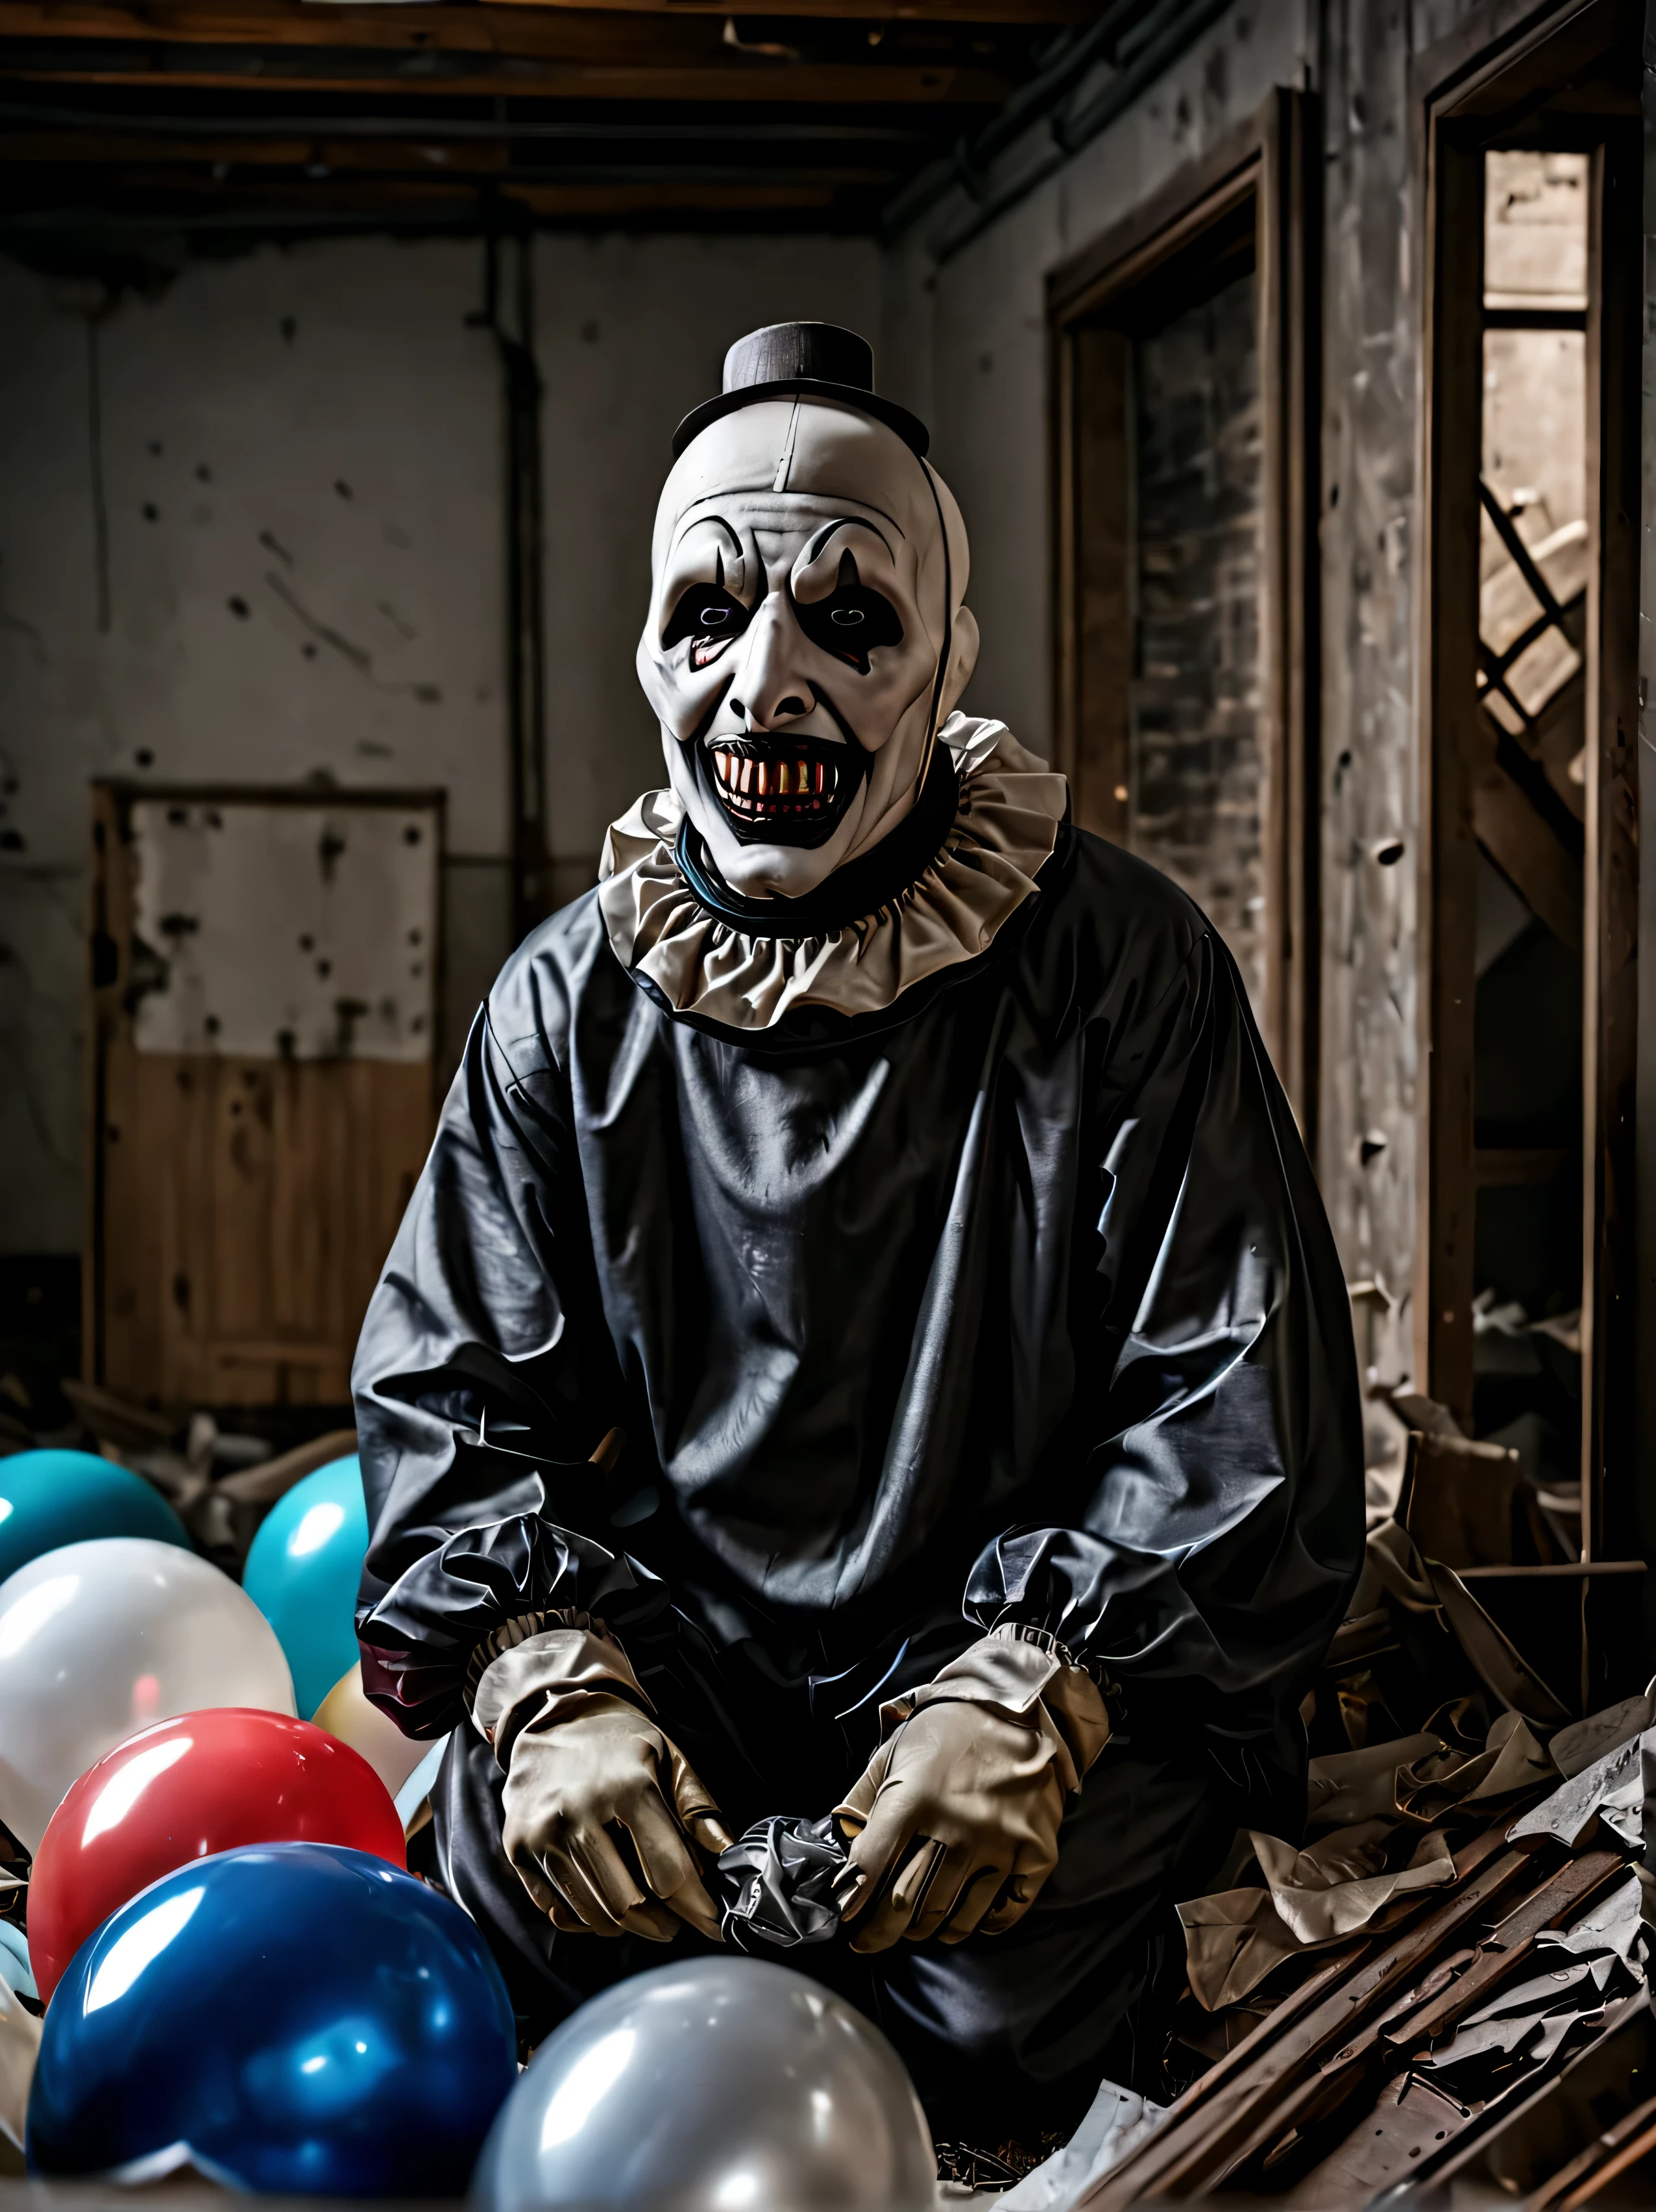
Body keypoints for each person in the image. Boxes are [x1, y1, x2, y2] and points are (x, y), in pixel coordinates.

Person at [352, 321, 1363, 2143]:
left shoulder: (1126, 970)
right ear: (645, 648)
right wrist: (549, 1683)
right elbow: (447, 1403)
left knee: (985, 1993)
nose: (766, 685)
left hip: (1039, 1672)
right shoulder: (564, 1009)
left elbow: (1242, 1412)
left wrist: (1037, 1696)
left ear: (949, 657)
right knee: (524, 1885)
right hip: (699, 1668)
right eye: (707, 618)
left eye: (848, 620)